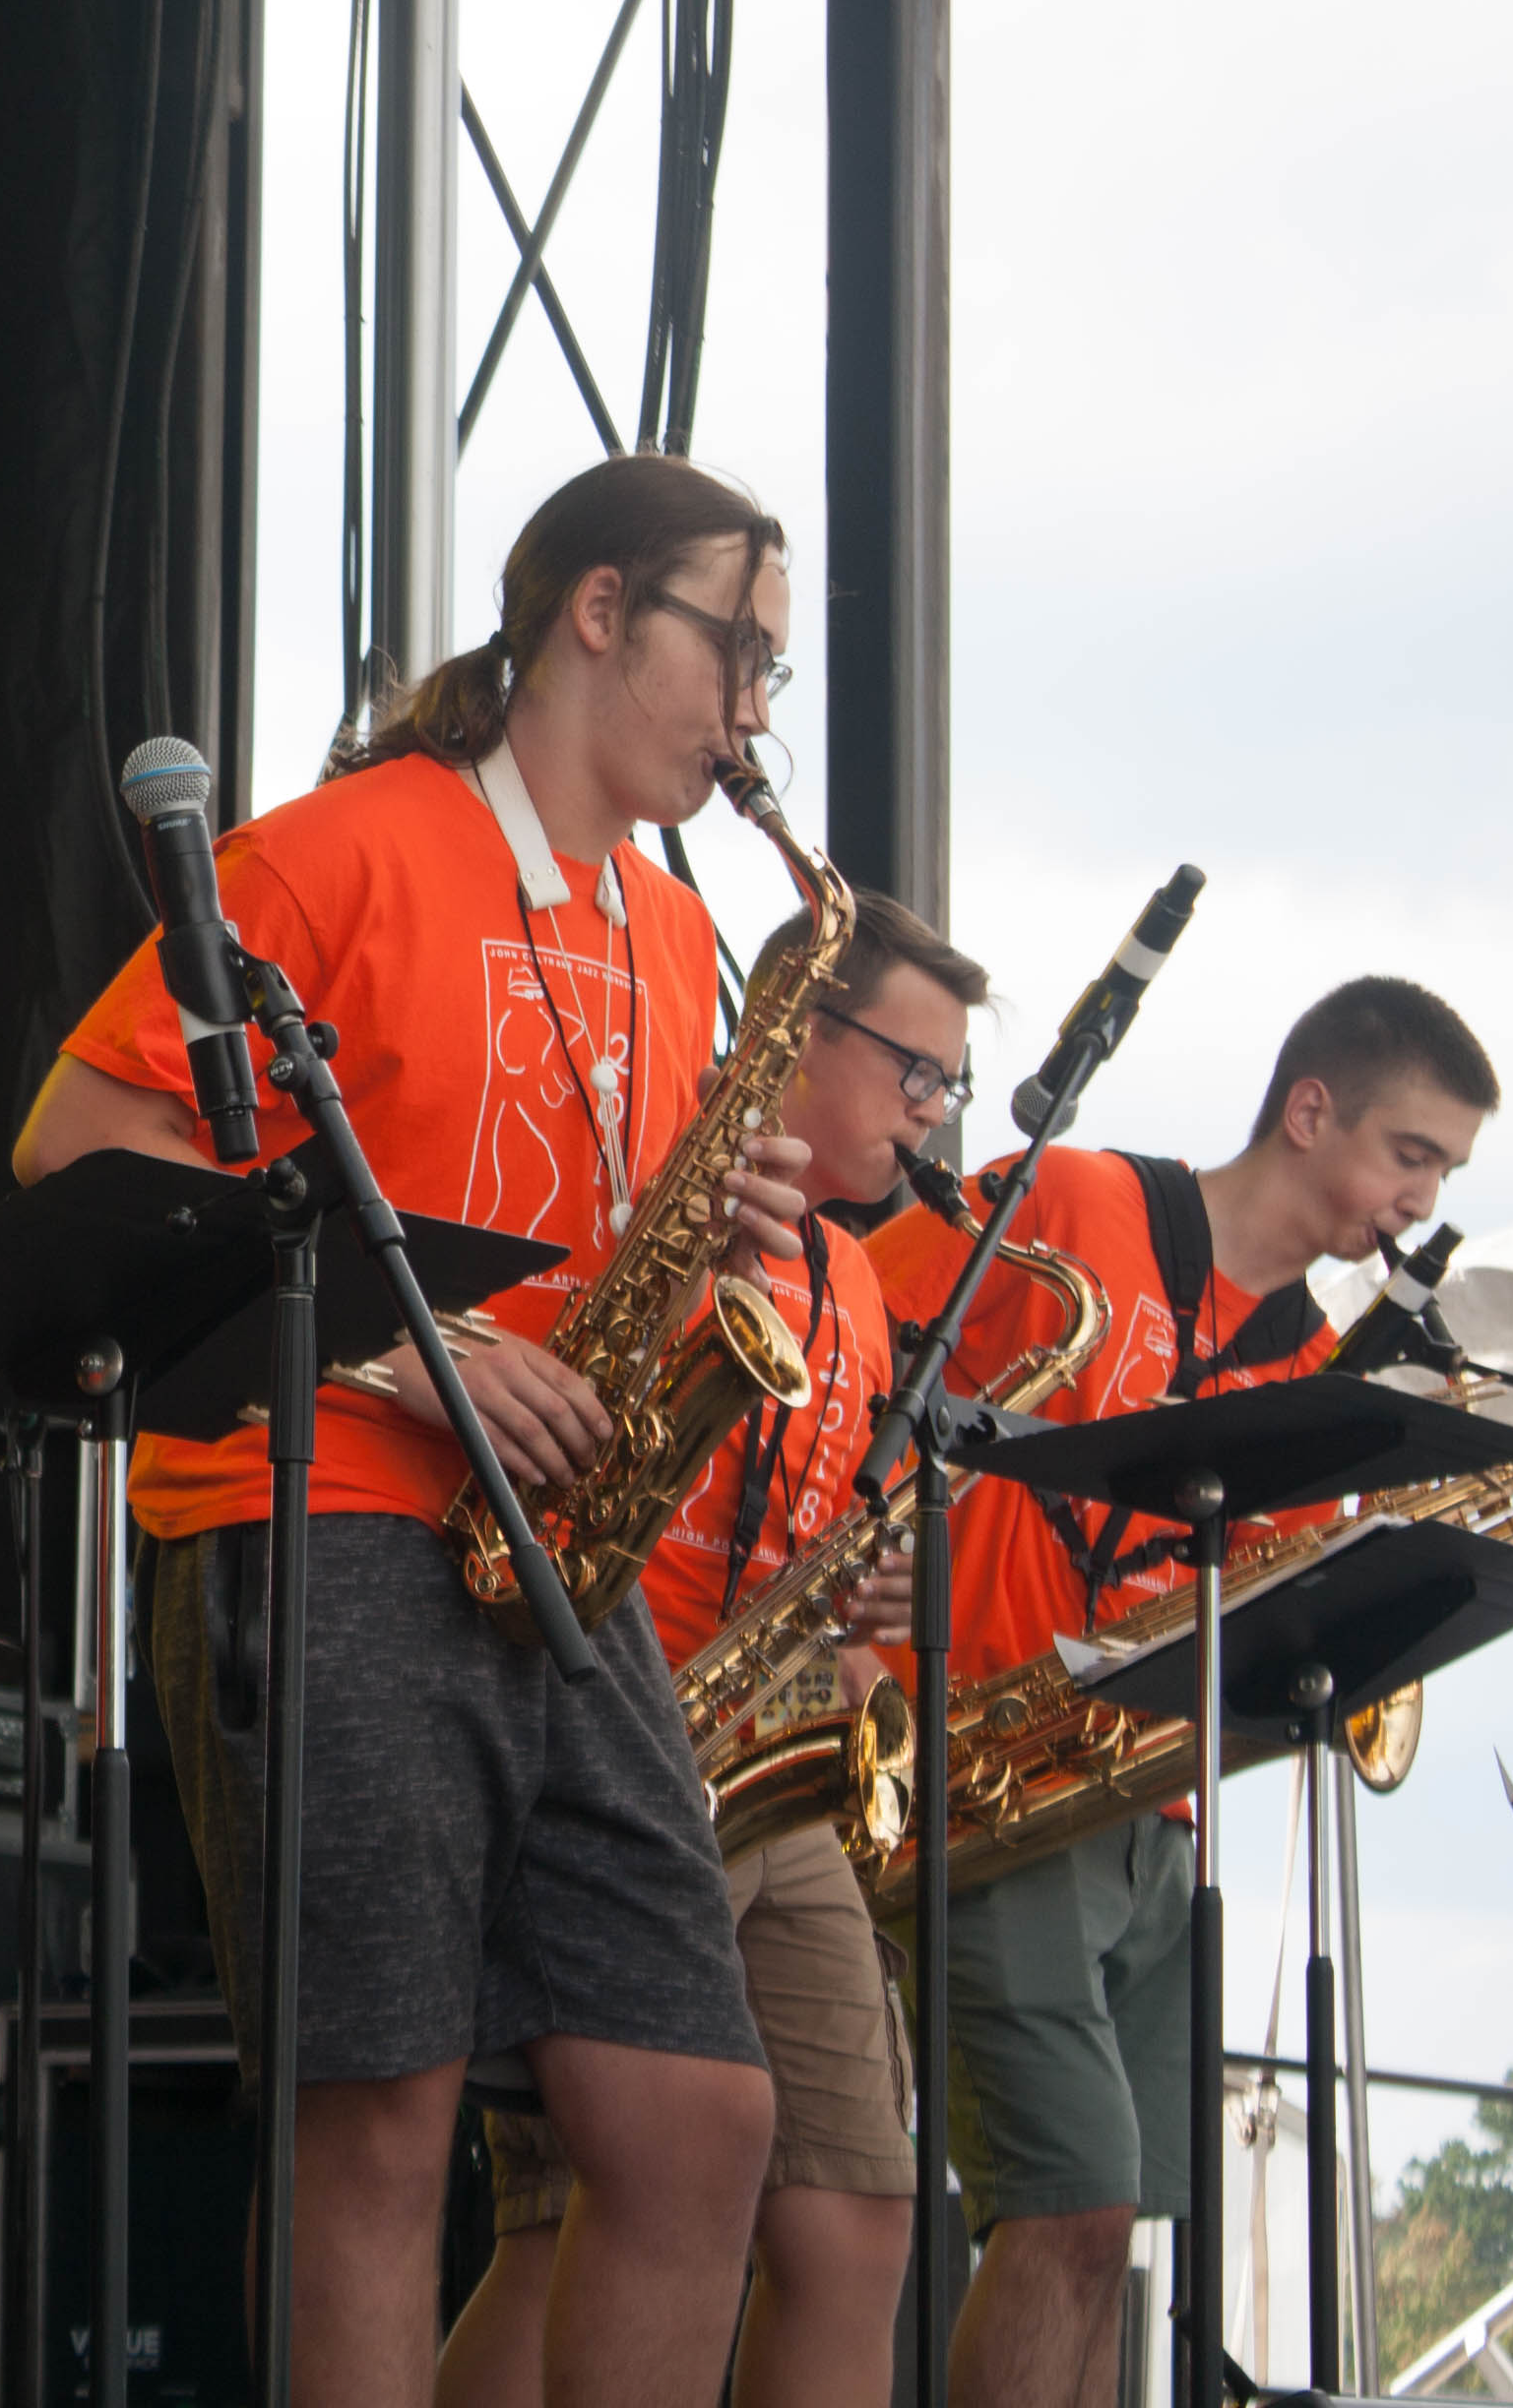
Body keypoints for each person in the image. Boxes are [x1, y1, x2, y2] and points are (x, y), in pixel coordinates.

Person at [13, 452, 814, 2408]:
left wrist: (715, 1238)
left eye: (778, 679)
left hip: (563, 1556)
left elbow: (589, 1250)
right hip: (330, 1509)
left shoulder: (676, 932)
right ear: (599, 611)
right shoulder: (342, 852)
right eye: (744, 654)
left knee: (700, 2121)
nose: (755, 719)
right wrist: (402, 1349)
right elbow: (77, 1148)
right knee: (375, 2123)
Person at [860, 974, 1498, 2408]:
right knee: (1069, 2202)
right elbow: (841, 1315)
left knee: (1116, 2230)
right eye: (1414, 1154)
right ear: (1310, 1108)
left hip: (1157, 1809)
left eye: (1446, 1171)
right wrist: (880, 1540)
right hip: (985, 1775)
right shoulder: (1077, 1199)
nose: (1424, 1197)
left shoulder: (1315, 1364)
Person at [435, 889, 980, 2408]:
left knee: (861, 2213)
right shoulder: (664, 1190)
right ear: (801, 1038)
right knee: (564, 2220)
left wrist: (873, 1600)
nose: (934, 1117)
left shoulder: (861, 1285)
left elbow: (802, 1527)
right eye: (915, 1073)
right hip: (615, 1730)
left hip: (771, 1761)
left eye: (951, 1086)